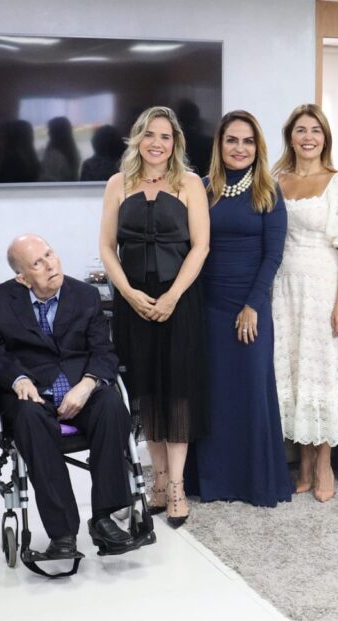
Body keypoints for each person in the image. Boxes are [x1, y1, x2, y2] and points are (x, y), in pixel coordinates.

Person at [0, 235, 139, 558]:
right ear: (22, 278)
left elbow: (104, 352)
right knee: (29, 419)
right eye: (38, 263)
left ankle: (104, 519)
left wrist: (88, 384)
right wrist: (18, 378)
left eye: (50, 254)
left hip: (81, 389)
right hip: (33, 394)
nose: (50, 265)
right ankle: (63, 534)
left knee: (111, 405)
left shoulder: (85, 295)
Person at [99, 106, 210, 527]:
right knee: (144, 391)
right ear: (137, 139)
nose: (156, 143)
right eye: (149, 134)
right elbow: (107, 246)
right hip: (133, 304)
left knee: (176, 392)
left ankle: (177, 486)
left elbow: (200, 246)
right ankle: (158, 480)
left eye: (165, 136)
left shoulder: (190, 183)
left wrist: (172, 296)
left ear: (175, 142)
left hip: (179, 302)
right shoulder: (117, 183)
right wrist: (128, 294)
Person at [271, 104, 338, 503]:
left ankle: (325, 463)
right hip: (285, 290)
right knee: (297, 373)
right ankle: (304, 461)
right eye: (301, 130)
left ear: (325, 137)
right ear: (290, 137)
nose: (308, 137)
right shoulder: (275, 180)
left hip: (326, 289)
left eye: (316, 130)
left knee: (323, 374)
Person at [189, 110, 291, 507]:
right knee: (213, 394)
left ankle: (253, 482)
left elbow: (273, 255)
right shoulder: (202, 188)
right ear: (219, 144)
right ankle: (212, 480)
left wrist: (252, 305)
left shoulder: (268, 190)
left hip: (250, 305)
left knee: (250, 391)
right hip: (207, 307)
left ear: (257, 147)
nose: (239, 148)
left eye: (248, 141)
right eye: (232, 140)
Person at [39, 116, 80, 182]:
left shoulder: (54, 156)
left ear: (55, 132)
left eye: (50, 130)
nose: (48, 133)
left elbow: (47, 180)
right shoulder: (74, 152)